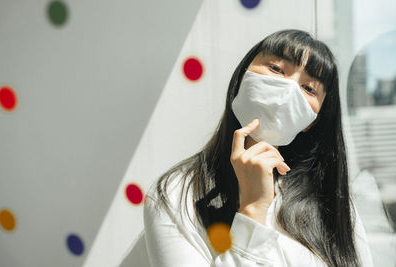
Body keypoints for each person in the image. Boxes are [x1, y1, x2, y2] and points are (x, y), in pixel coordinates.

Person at [143, 29, 374, 266]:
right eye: (276, 69)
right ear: (242, 77)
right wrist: (253, 208)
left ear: (313, 121)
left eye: (309, 88)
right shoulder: (176, 194)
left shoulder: (330, 200)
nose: (288, 90)